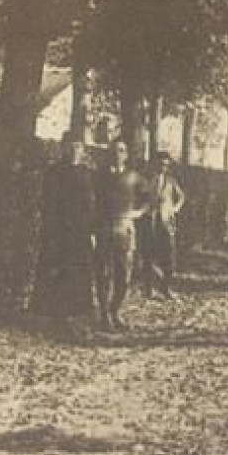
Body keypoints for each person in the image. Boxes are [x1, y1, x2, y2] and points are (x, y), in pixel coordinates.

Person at [34, 132, 97, 320]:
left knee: (79, 270)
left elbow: (91, 204)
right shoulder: (54, 172)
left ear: (83, 150)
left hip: (80, 231)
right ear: (63, 148)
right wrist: (51, 230)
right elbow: (48, 203)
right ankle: (52, 315)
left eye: (78, 147)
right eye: (70, 147)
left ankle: (79, 314)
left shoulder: (87, 173)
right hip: (59, 230)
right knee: (55, 268)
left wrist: (91, 230)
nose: (74, 151)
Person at [95, 139, 150, 330]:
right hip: (103, 228)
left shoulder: (134, 177)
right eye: (113, 150)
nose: (117, 154)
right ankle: (104, 314)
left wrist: (137, 213)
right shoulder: (99, 177)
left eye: (121, 150)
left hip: (125, 230)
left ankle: (115, 310)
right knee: (103, 273)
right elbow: (91, 202)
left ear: (126, 155)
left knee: (124, 275)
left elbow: (148, 200)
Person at [140, 152, 186, 298]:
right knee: (148, 257)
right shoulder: (147, 180)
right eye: (160, 164)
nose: (163, 167)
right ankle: (148, 289)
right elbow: (139, 197)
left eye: (166, 165)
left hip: (166, 222)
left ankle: (166, 288)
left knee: (168, 256)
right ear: (155, 164)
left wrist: (175, 209)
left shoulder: (171, 181)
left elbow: (182, 197)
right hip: (150, 221)